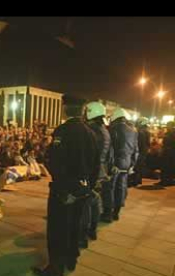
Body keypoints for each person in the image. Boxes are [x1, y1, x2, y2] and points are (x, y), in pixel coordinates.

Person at [33, 97, 99, 276]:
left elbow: (55, 162)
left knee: (58, 229)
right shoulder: (91, 133)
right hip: (82, 189)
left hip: (64, 190)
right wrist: (87, 187)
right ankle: (71, 260)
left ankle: (55, 268)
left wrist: (63, 190)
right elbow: (96, 165)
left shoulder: (63, 131)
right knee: (75, 226)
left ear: (65, 108)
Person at [81, 102, 112, 245]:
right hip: (101, 170)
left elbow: (87, 154)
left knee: (86, 203)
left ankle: (84, 233)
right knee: (95, 201)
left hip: (92, 171)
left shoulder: (92, 130)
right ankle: (93, 228)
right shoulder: (104, 130)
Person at [108, 108, 139, 221]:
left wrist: (112, 164)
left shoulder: (113, 129)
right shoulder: (133, 130)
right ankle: (117, 211)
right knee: (121, 187)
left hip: (115, 163)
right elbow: (136, 149)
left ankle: (108, 212)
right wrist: (132, 165)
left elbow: (110, 149)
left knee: (111, 188)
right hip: (126, 164)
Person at [130, 117, 151, 187]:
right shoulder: (147, 132)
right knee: (140, 167)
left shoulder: (140, 132)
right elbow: (148, 143)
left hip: (140, 151)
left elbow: (139, 143)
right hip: (144, 152)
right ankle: (138, 180)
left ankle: (135, 181)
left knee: (137, 167)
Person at [159, 121, 175, 186]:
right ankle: (163, 180)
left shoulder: (173, 133)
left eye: (168, 125)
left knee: (169, 167)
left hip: (171, 152)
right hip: (166, 151)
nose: (167, 126)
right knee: (164, 166)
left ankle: (168, 181)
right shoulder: (167, 133)